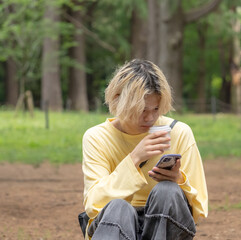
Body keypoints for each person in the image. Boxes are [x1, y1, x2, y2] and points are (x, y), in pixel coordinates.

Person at [82, 59, 208, 240]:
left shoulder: (178, 132)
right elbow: (94, 204)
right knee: (119, 208)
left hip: (165, 227)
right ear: (118, 100)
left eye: (156, 109)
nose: (150, 117)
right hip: (115, 226)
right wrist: (134, 158)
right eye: (142, 110)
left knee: (167, 191)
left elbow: (199, 208)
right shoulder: (96, 137)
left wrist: (179, 180)